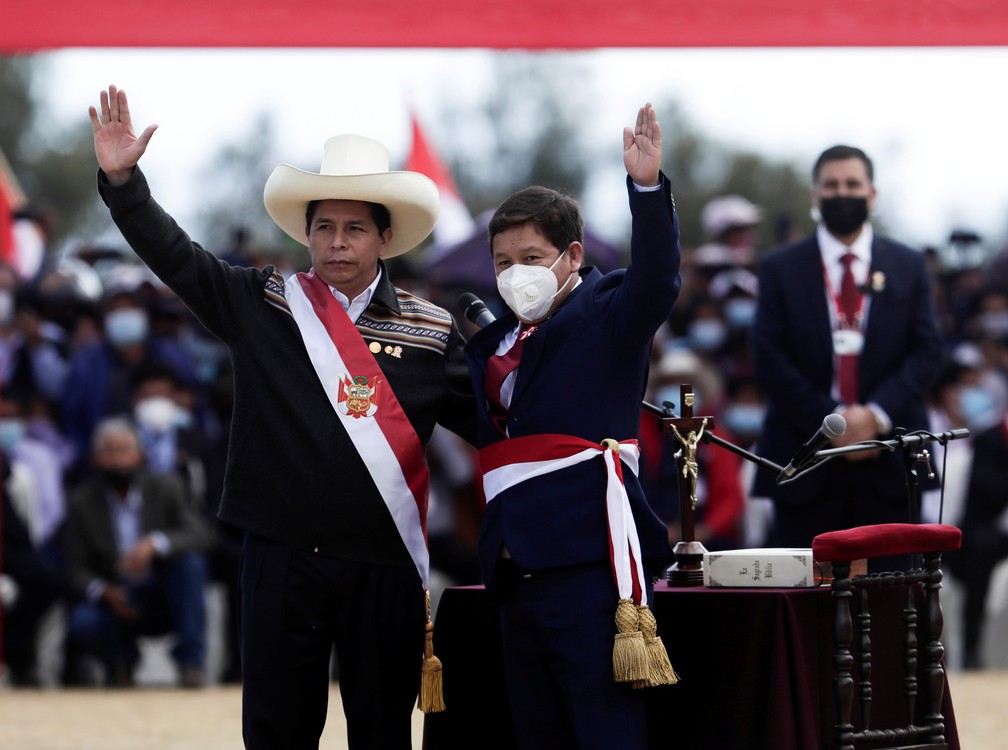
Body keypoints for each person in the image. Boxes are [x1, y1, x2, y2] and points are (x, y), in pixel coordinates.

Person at [89, 85, 475, 748]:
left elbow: (500, 427)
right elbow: (177, 258)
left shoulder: (434, 329)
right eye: (323, 226)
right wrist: (123, 182)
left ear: (385, 236)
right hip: (278, 558)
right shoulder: (263, 301)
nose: (336, 242)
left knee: (381, 732)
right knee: (275, 731)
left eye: (354, 228)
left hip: (382, 567)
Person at [463, 103, 679, 750]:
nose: (514, 274)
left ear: (572, 254)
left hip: (589, 562)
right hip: (512, 562)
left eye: (531, 256)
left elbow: (659, 280)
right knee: (537, 734)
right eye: (502, 262)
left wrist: (646, 189)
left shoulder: (609, 312)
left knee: (604, 732)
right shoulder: (493, 340)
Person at [752, 145, 943, 568]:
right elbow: (768, 358)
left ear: (872, 194)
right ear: (814, 194)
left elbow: (927, 351)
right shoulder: (779, 267)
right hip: (807, 464)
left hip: (892, 464)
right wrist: (832, 425)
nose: (843, 193)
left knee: (897, 612)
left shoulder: (909, 265)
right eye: (832, 185)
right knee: (807, 616)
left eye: (853, 184)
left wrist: (873, 417)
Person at [62, 417, 211, 687]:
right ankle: (121, 664)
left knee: (192, 564)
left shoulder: (166, 487)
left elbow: (202, 534)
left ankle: (191, 664)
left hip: (163, 591)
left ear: (140, 455)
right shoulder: (81, 502)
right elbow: (73, 566)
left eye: (124, 450)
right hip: (117, 596)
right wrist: (103, 590)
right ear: (95, 459)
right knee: (83, 620)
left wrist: (155, 543)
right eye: (109, 451)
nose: (118, 460)